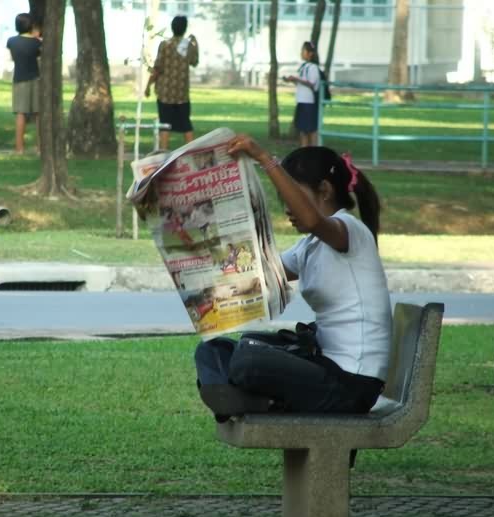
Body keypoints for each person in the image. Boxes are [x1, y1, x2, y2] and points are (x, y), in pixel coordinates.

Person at [195, 135, 392, 417]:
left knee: (250, 359)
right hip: (324, 370)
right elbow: (254, 278)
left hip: (351, 384)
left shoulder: (351, 231)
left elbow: (312, 220)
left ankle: (249, 399)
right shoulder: (309, 246)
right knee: (214, 350)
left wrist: (264, 158)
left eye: (292, 196)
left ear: (324, 190)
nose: (287, 208)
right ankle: (241, 399)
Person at [144, 16, 199, 150]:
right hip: (181, 94)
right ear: (184, 29)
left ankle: (163, 154)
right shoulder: (188, 45)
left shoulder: (165, 45)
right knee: (186, 125)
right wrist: (196, 44)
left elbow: (157, 68)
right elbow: (194, 62)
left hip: (165, 93)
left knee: (165, 125)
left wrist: (148, 86)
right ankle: (192, 152)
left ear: (172, 27)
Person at [6, 13, 42, 154]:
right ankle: (40, 148)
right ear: (31, 25)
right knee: (38, 114)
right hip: (36, 79)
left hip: (19, 79)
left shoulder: (11, 41)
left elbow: (11, 57)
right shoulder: (37, 43)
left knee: (21, 113)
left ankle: (19, 148)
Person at [283, 41, 321, 147]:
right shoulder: (304, 67)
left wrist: (297, 79)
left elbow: (313, 84)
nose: (301, 53)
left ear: (310, 53)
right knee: (303, 131)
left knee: (311, 130)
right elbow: (302, 83)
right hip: (301, 101)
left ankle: (314, 153)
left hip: (309, 102)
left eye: (303, 51)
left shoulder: (313, 67)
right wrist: (293, 80)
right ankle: (304, 153)